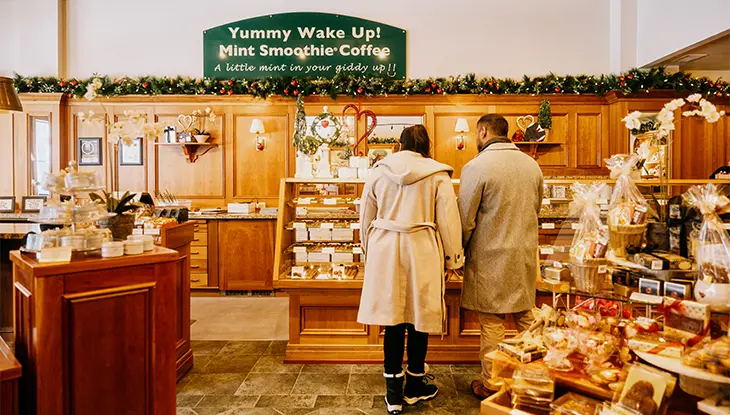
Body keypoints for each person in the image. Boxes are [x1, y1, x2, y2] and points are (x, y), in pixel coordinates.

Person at [358, 125, 464, 414]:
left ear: (398, 144)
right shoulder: (437, 175)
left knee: (392, 320)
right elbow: (448, 220)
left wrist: (368, 250)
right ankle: (415, 387)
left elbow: (365, 215)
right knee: (420, 317)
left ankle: (393, 395)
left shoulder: (379, 171)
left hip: (386, 248)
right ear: (426, 146)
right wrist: (454, 259)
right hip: (422, 248)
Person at [457, 114, 543, 399]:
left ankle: (492, 383)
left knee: (492, 322)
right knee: (526, 316)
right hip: (525, 252)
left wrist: (459, 251)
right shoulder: (532, 165)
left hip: (490, 254)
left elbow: (466, 217)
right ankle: (538, 378)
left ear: (482, 131)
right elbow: (537, 206)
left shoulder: (477, 166)